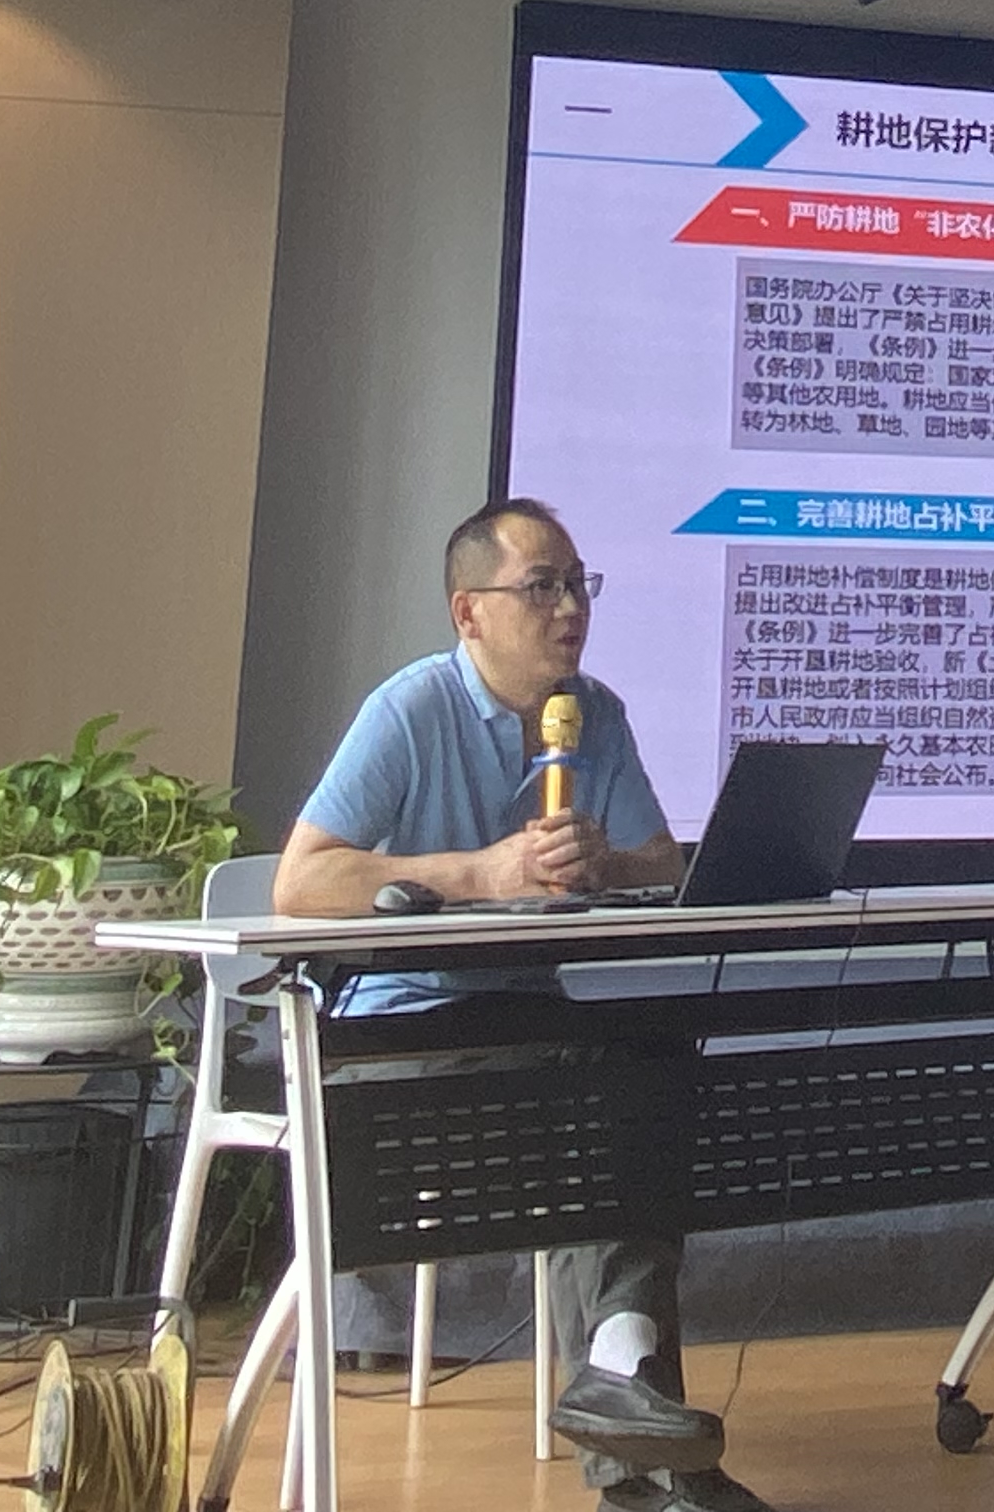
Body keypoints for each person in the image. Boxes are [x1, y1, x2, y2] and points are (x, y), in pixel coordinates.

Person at [281, 498, 763, 1512]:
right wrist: (479, 874)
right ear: (470, 612)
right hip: (403, 1032)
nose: (570, 608)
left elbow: (660, 862)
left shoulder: (596, 713)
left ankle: (624, 1390)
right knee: (605, 1113)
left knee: (653, 1070)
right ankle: (645, 1463)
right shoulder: (410, 711)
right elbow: (301, 881)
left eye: (580, 585)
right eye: (542, 587)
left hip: (533, 1022)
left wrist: (606, 862)